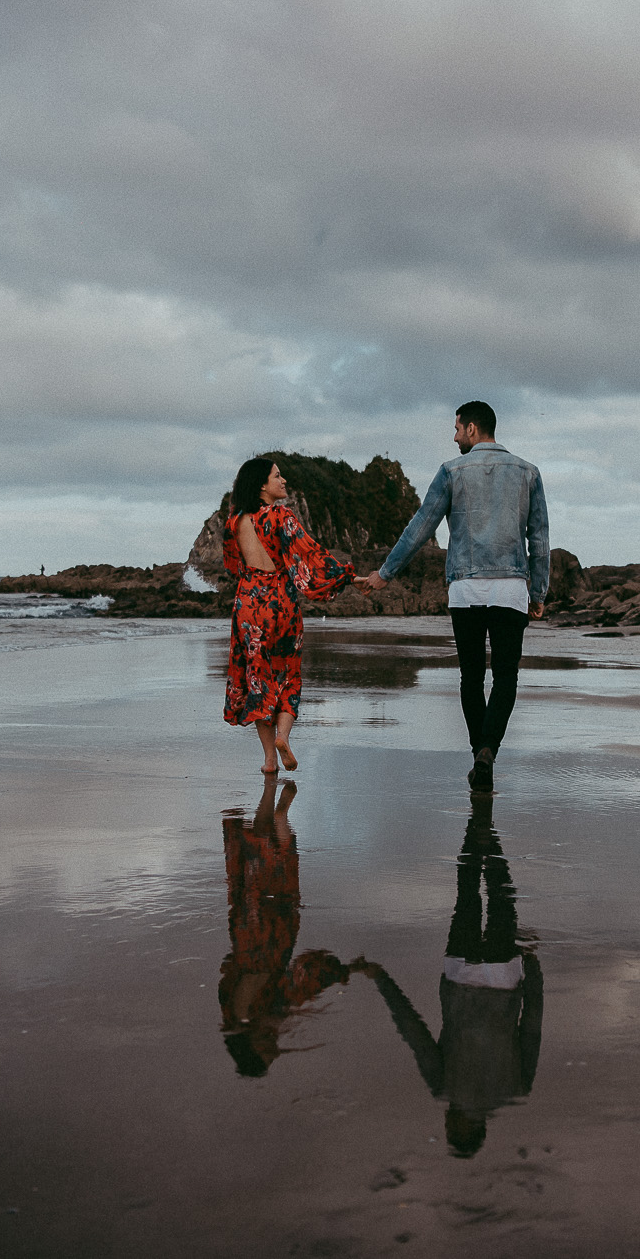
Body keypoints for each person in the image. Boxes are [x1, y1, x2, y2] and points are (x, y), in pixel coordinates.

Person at [360, 401, 549, 791]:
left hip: (465, 589)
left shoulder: (451, 471)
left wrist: (386, 573)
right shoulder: (528, 473)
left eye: (458, 428)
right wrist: (540, 591)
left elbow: (419, 528)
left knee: (471, 677)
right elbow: (540, 540)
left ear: (474, 429)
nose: (455, 436)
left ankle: (477, 750)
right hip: (512, 588)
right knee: (506, 677)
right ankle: (488, 751)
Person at [351, 794, 542, 1157]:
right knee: (467, 893)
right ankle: (477, 830)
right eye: (450, 1127)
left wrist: (533, 967)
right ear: (463, 1128)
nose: (445, 1122)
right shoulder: (445, 1089)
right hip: (459, 975)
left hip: (503, 976)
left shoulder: (517, 1089)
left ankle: (485, 831)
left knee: (501, 895)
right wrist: (380, 977)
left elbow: (532, 1024)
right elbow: (413, 1031)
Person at [222, 456, 360, 772]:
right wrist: (348, 576)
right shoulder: (281, 516)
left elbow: (232, 564)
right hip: (280, 605)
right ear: (261, 485)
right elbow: (311, 554)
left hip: (248, 606)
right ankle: (283, 736)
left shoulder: (235, 521)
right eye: (277, 476)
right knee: (288, 676)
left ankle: (270, 758)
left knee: (258, 680)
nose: (283, 481)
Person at [217, 778, 351, 1077]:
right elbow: (231, 971)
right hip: (253, 937)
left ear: (251, 1044)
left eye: (267, 1048)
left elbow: (286, 986)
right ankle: (276, 818)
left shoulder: (254, 1014)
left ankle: (277, 816)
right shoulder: (234, 1012)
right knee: (268, 872)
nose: (274, 1044)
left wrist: (339, 972)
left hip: (266, 940)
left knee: (278, 870)